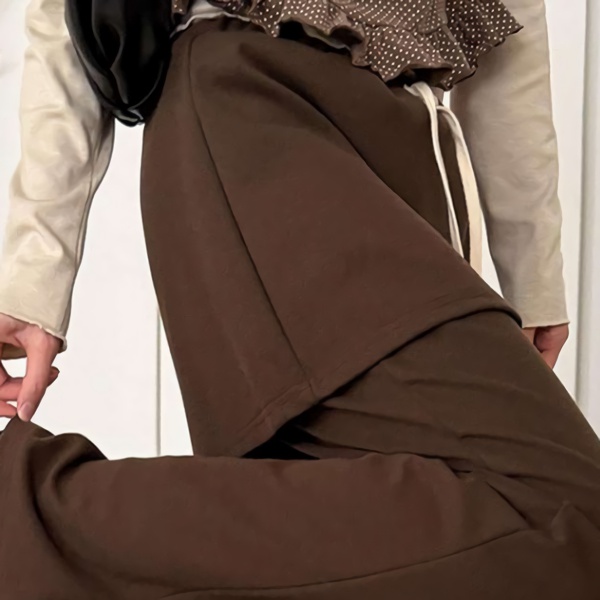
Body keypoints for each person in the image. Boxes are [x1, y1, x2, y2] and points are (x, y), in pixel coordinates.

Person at [1, 0, 599, 598]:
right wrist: (32, 274)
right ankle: (21, 522)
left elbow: (509, 26)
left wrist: (534, 278)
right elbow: (64, 19)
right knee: (560, 507)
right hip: (257, 110)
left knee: (409, 559)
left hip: (408, 146)